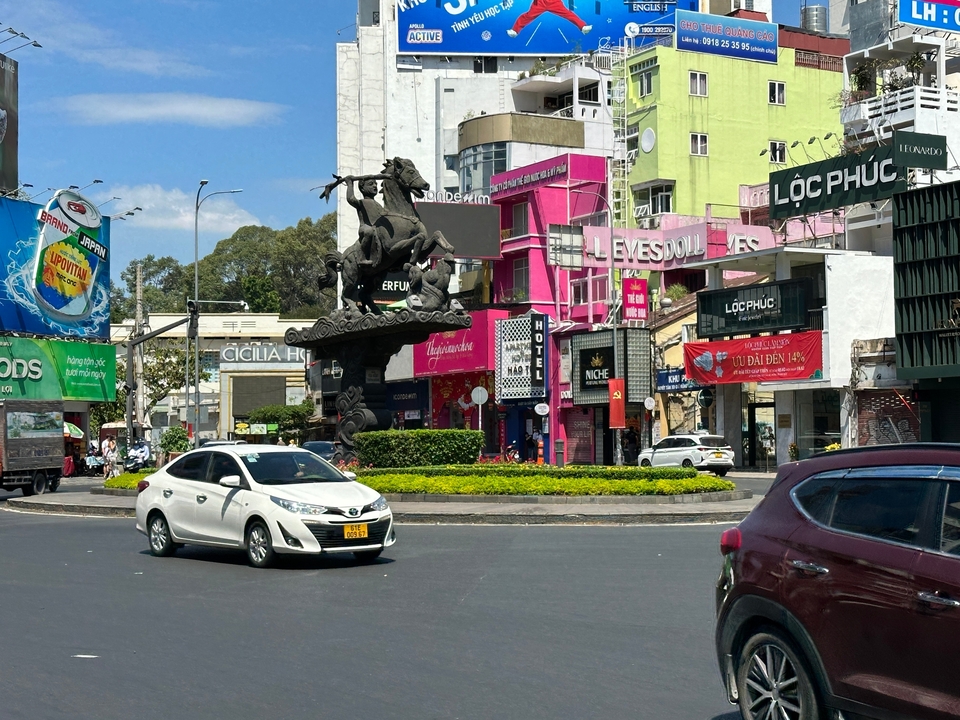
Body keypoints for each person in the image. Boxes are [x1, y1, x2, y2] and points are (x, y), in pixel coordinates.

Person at [345, 176, 384, 266]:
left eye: (376, 184)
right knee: (369, 231)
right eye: (371, 184)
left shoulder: (378, 205)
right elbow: (351, 199)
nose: (375, 186)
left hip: (376, 228)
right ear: (362, 187)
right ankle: (361, 257)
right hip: (365, 227)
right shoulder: (361, 202)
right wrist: (349, 184)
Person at [506, 0, 592, 38]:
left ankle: (583, 27)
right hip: (540, 2)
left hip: (554, 2)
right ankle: (515, 30)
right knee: (528, 16)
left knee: (567, 13)